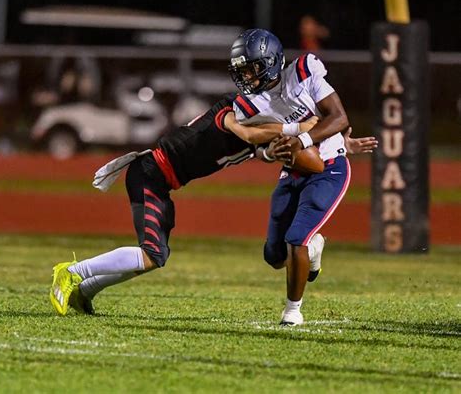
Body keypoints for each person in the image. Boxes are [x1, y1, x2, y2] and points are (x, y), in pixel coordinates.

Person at [49, 90, 376, 317]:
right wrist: (298, 128)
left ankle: (85, 292)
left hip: (161, 181)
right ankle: (72, 273)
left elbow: (264, 147)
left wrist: (336, 141)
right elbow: (250, 137)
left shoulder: (254, 131)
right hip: (150, 173)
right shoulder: (228, 116)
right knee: (152, 253)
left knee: (155, 256)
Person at [228, 28, 357, 325]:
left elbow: (339, 118)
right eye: (242, 71)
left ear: (272, 61)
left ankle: (292, 311)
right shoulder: (247, 107)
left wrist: (304, 140)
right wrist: (273, 152)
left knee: (296, 238)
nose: (247, 76)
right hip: (292, 171)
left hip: (328, 166)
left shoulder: (302, 73)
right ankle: (314, 250)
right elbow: (257, 150)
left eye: (252, 68)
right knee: (274, 255)